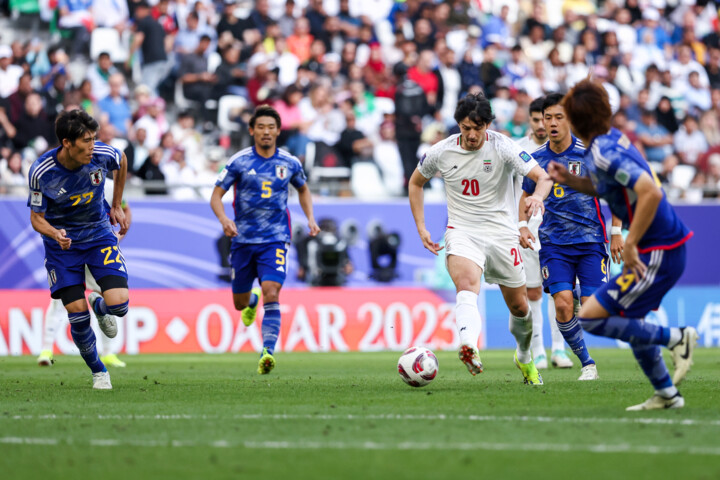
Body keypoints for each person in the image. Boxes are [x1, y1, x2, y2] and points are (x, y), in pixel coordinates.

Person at [548, 80, 698, 410]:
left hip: (659, 249)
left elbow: (651, 191)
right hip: (662, 247)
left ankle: (676, 338)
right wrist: (572, 181)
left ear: (574, 119)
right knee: (631, 321)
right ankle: (667, 394)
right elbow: (611, 189)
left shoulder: (604, 151)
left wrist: (629, 242)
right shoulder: (609, 141)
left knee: (589, 317)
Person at [409, 93, 553, 385]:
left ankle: (524, 357)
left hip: (502, 234)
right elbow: (415, 182)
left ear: (487, 124)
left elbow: (544, 177)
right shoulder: (441, 151)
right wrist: (422, 227)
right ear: (458, 125)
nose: (472, 135)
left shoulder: (503, 146)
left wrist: (537, 198)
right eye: (465, 128)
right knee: (466, 284)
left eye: (478, 128)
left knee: (520, 308)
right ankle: (469, 345)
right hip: (462, 230)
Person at [520, 93, 624, 381]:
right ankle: (587, 362)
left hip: (590, 240)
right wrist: (523, 225)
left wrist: (616, 232)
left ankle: (578, 295)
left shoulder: (589, 153)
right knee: (563, 303)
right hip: (553, 244)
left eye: (558, 117)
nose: (551, 124)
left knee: (590, 311)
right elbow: (526, 195)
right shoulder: (537, 160)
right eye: (546, 118)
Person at [210, 105, 320, 374]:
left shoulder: (290, 162)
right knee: (238, 302)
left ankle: (267, 352)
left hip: (275, 238)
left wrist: (311, 218)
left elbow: (303, 190)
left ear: (279, 131)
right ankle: (250, 301)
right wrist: (225, 220)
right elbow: (215, 196)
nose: (266, 132)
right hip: (243, 240)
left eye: (271, 127)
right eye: (261, 127)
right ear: (252, 131)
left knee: (273, 291)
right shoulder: (239, 162)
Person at [27, 109, 130, 390]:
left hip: (98, 236)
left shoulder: (100, 154)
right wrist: (54, 232)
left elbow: (121, 159)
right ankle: (99, 371)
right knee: (77, 315)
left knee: (119, 305)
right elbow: (37, 218)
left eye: (94, 138)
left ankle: (101, 305)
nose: (92, 146)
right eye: (86, 140)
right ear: (67, 143)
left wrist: (117, 204)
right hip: (63, 248)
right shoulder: (42, 172)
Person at [37, 198, 132, 368]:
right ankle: (46, 349)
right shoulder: (61, 179)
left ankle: (108, 352)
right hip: (70, 250)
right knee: (61, 299)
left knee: (109, 296)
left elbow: (125, 208)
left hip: (96, 249)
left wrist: (118, 236)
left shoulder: (109, 185)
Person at [515, 96, 571, 370]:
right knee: (533, 292)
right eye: (537, 119)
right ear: (530, 120)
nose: (542, 125)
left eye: (546, 118)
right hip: (528, 231)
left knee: (559, 291)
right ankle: (537, 349)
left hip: (558, 231)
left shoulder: (565, 149)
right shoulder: (518, 150)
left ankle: (559, 349)